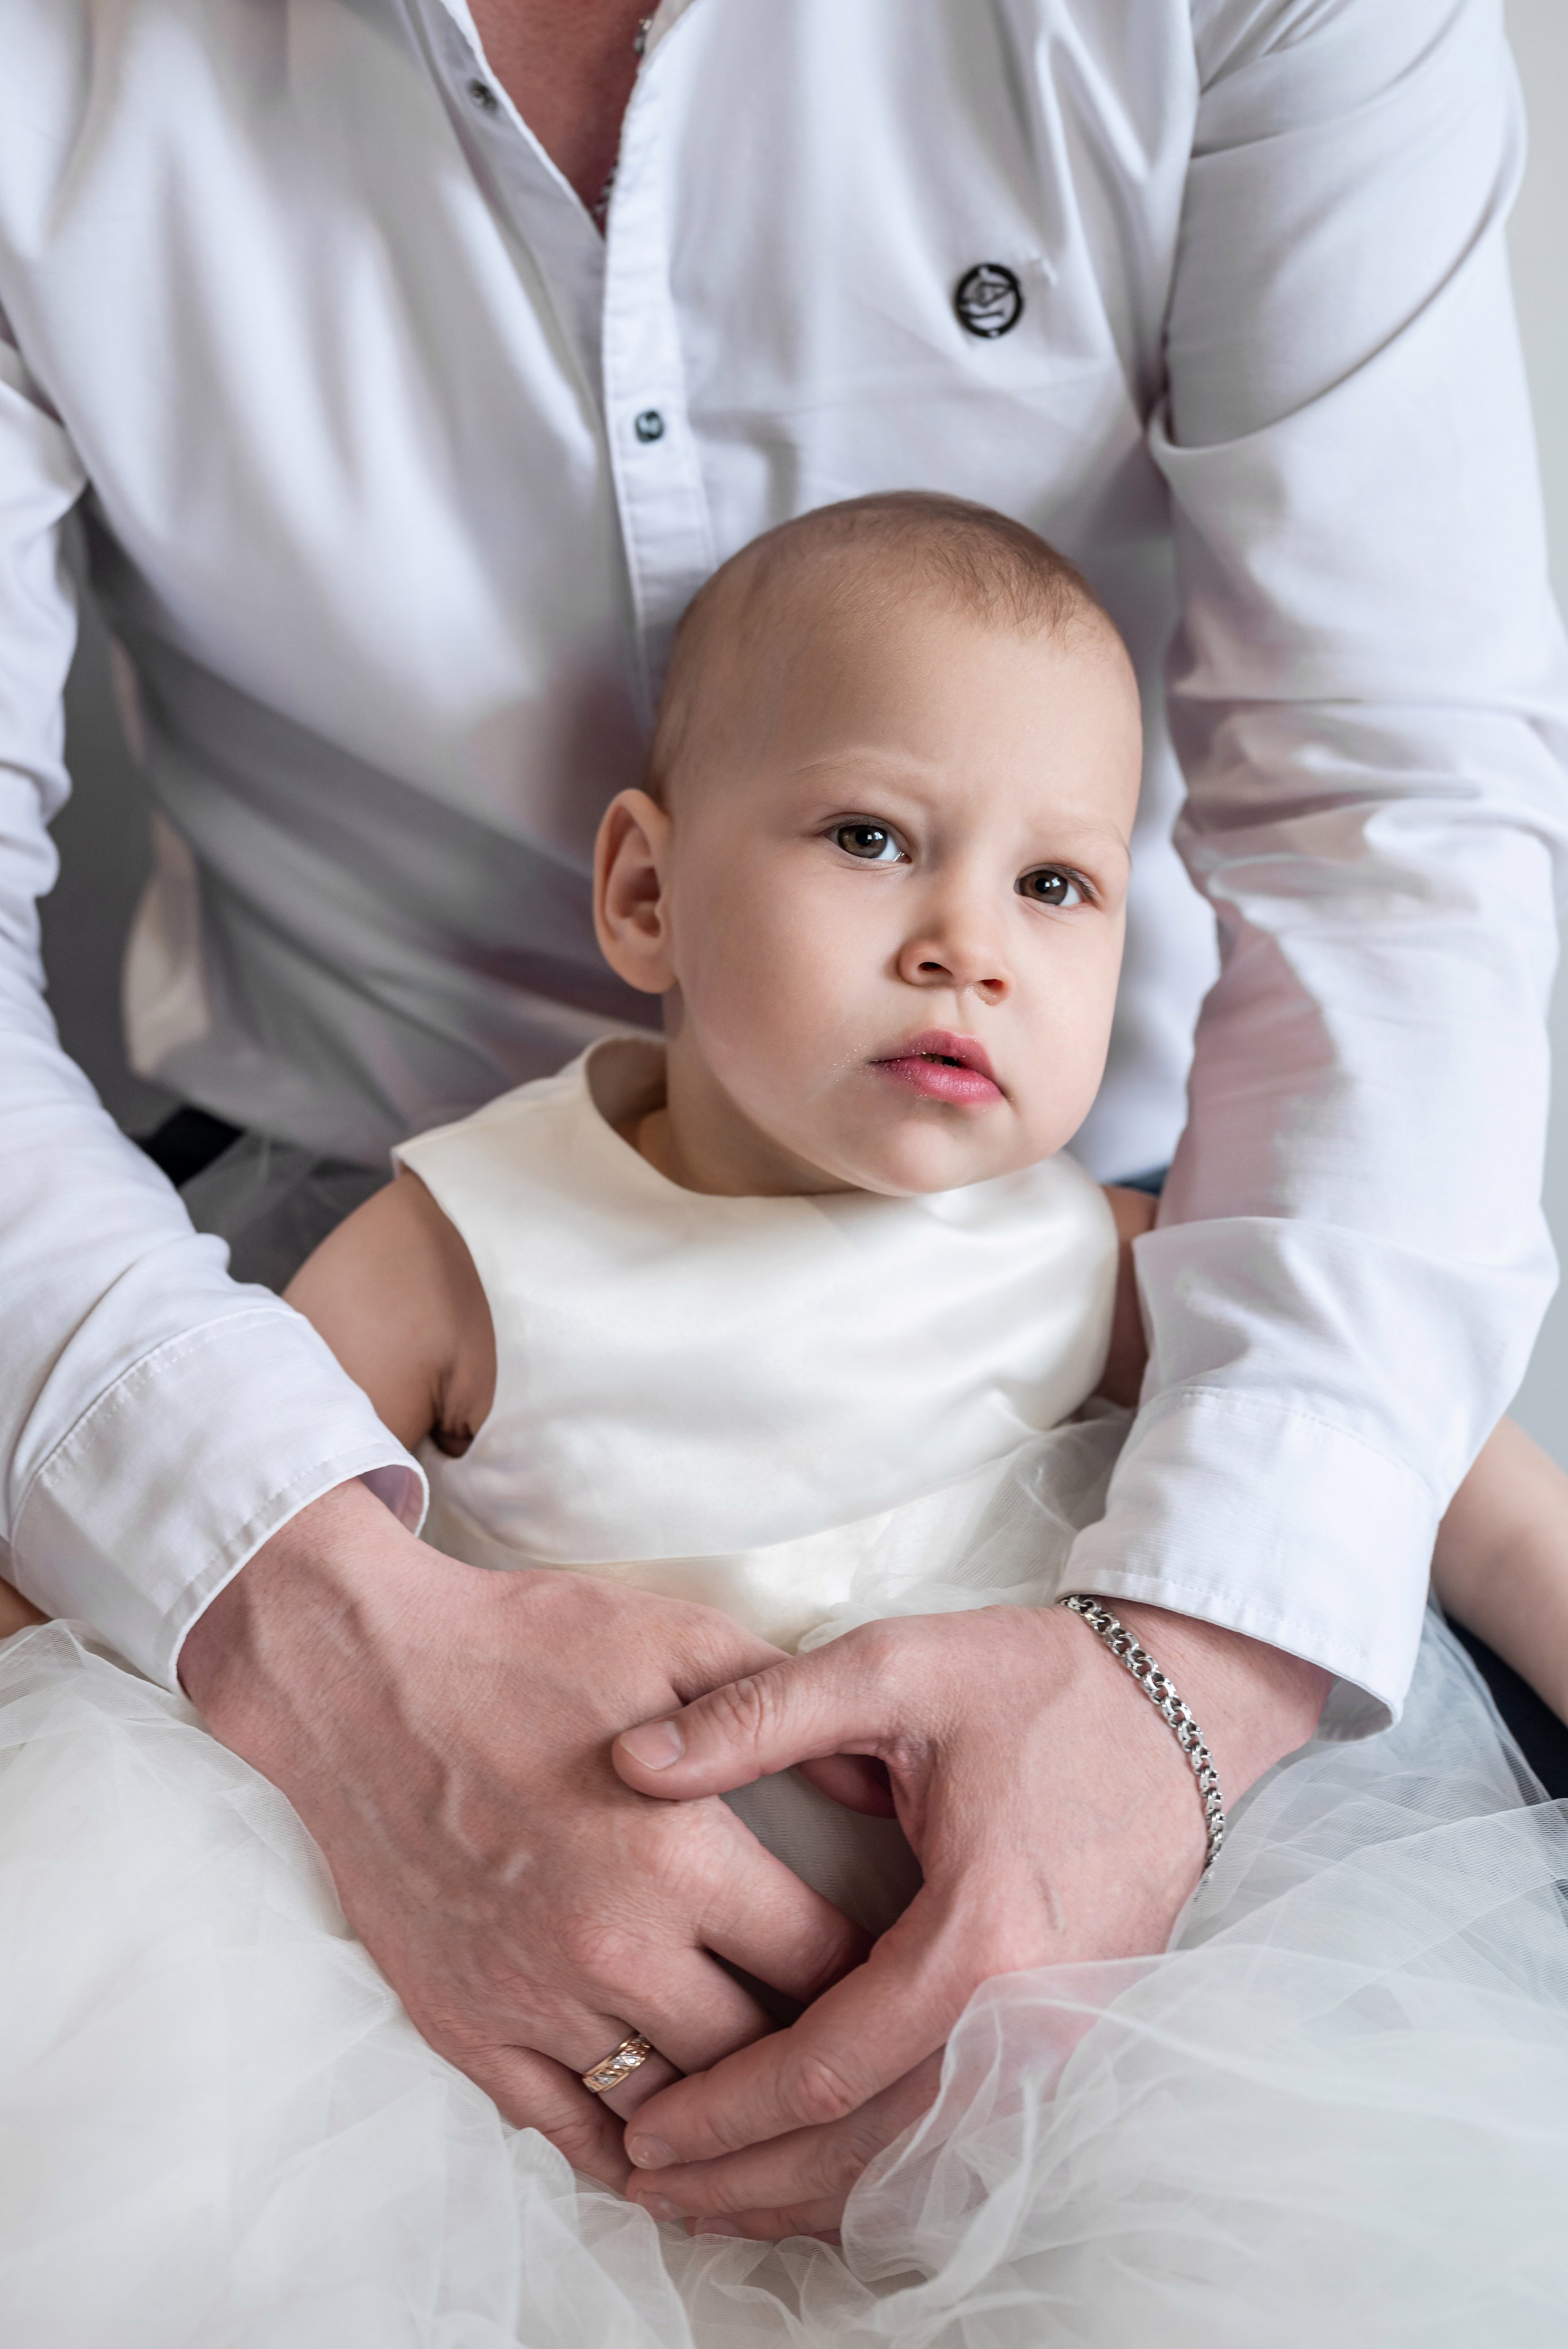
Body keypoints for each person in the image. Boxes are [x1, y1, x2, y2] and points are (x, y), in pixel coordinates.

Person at [2, 0, 1566, 2230]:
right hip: (298, 1265)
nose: (962, 944)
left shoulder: (1087, 1269)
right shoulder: (460, 1243)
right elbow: (243, 1489)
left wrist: (1199, 1674)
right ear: (643, 879)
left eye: (1051, 884)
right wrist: (300, 1622)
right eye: (872, 848)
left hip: (1170, 1373)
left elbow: (1395, 815)